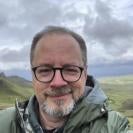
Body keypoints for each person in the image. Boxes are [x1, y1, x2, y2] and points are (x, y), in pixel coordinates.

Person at [0, 26, 130, 133]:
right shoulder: (4, 123)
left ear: (84, 74)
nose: (57, 82)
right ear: (33, 76)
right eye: (45, 70)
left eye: (70, 69)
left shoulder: (115, 126)